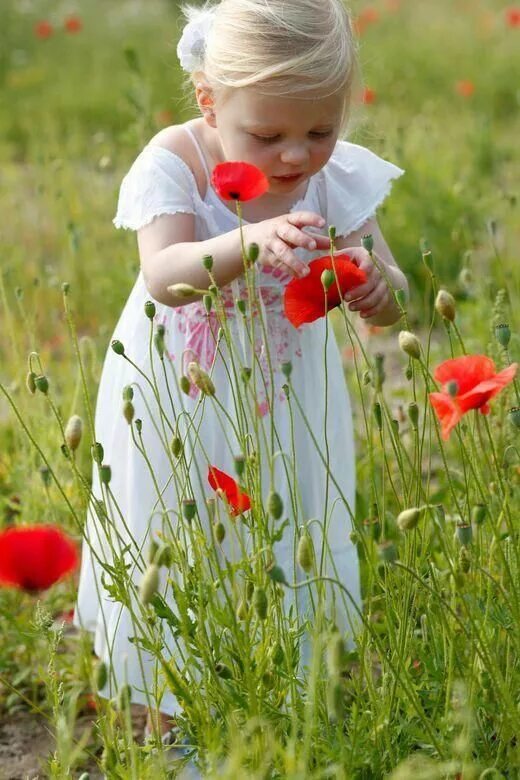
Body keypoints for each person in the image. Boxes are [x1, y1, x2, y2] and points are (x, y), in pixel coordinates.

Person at [73, 0, 408, 744]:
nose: (295, 156)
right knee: (179, 528)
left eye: (320, 131)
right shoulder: (176, 159)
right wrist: (249, 239)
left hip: (286, 392)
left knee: (286, 523)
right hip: (181, 389)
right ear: (209, 100)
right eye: (268, 135)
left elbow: (390, 290)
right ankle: (172, 706)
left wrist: (377, 287)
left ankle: (277, 689)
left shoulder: (335, 175)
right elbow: (164, 273)